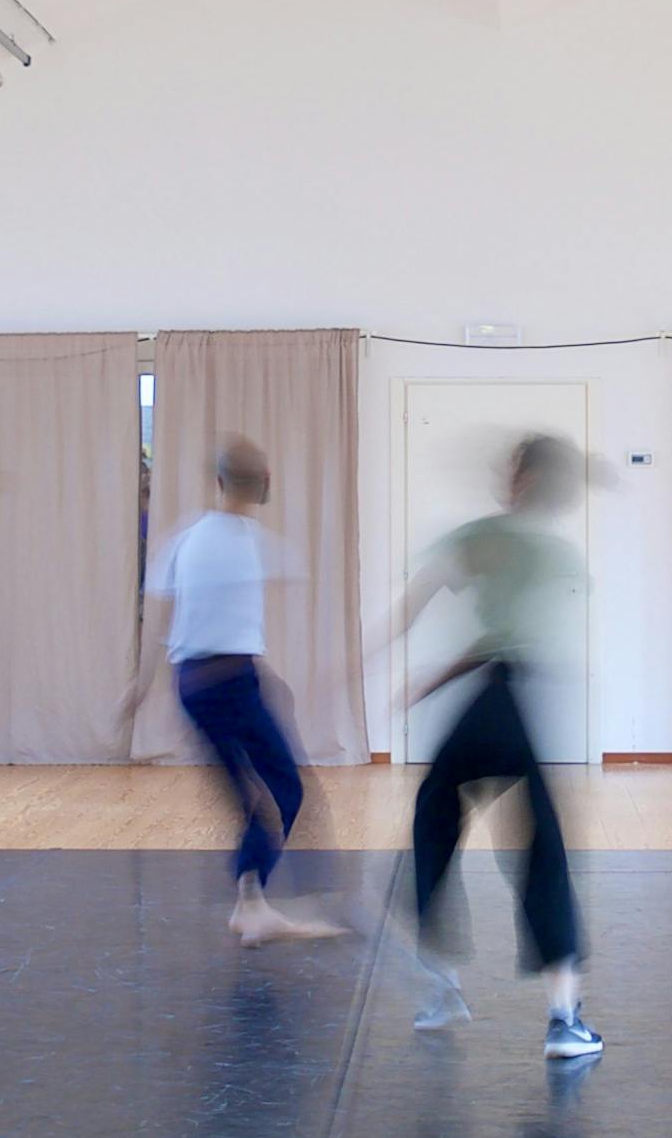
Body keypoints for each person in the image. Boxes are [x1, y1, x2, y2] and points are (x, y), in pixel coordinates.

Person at [385, 432, 599, 1062]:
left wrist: (416, 673)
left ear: (523, 478)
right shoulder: (557, 555)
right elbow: (514, 642)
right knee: (536, 847)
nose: (503, 475)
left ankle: (446, 983)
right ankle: (561, 1017)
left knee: (439, 816)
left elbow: (437, 611)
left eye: (511, 467)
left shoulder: (486, 537)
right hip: (518, 700)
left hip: (497, 699)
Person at [137, 435, 339, 946]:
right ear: (262, 483)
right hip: (228, 684)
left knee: (260, 797)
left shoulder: (189, 538)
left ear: (221, 480)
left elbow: (164, 621)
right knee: (282, 791)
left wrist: (140, 689)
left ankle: (252, 900)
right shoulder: (251, 541)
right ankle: (252, 902)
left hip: (201, 685)